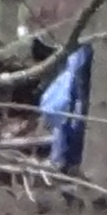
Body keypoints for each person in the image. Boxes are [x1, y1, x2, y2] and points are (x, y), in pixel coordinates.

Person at [38, 41, 92, 172]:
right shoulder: (79, 53)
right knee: (68, 124)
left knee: (71, 124)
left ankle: (66, 160)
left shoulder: (81, 54)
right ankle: (64, 160)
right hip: (72, 97)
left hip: (75, 97)